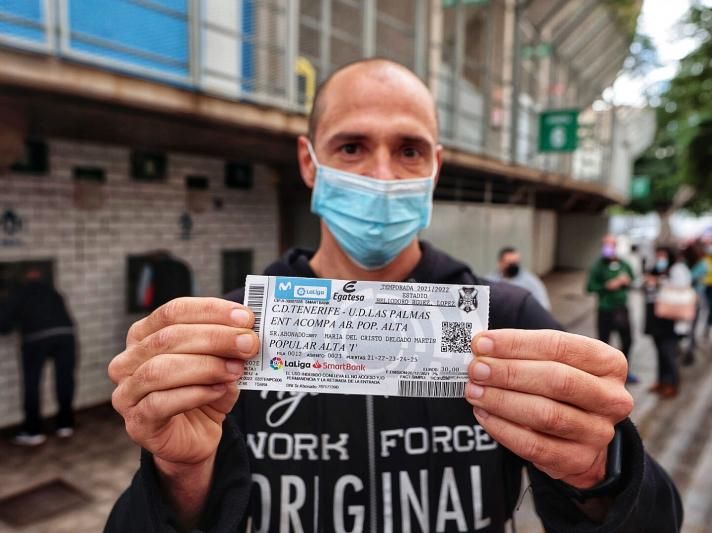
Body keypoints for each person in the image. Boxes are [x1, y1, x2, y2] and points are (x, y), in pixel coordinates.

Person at [105, 59, 682, 532]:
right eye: (351, 147)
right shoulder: (238, 335)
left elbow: (653, 522)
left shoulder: (507, 320)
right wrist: (179, 473)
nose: (382, 176)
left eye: (409, 150)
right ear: (310, 163)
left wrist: (603, 471)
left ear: (435, 167)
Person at [0, 267, 76, 445]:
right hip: (66, 335)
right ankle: (65, 425)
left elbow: (4, 327)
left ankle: (33, 431)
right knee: (65, 380)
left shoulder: (18, 293)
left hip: (36, 338)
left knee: (32, 382)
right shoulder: (53, 291)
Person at [586, 235, 638, 384]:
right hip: (605, 309)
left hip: (621, 308)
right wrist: (606, 286)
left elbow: (633, 279)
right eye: (606, 245)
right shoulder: (597, 266)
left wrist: (626, 281)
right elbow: (589, 287)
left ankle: (624, 371)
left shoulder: (623, 264)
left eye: (611, 245)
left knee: (627, 340)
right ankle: (603, 373)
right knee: (604, 342)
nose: (609, 248)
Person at [643, 247, 692, 398]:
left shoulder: (678, 269)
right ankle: (661, 381)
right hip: (656, 316)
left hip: (670, 318)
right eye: (658, 255)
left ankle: (673, 383)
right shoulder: (654, 268)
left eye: (663, 255)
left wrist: (659, 282)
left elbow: (682, 289)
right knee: (659, 351)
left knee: (668, 351)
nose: (660, 258)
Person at [486, 246, 551, 310]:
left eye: (516, 263)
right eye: (510, 264)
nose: (514, 266)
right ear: (500, 263)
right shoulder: (490, 280)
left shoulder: (531, 282)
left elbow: (544, 306)